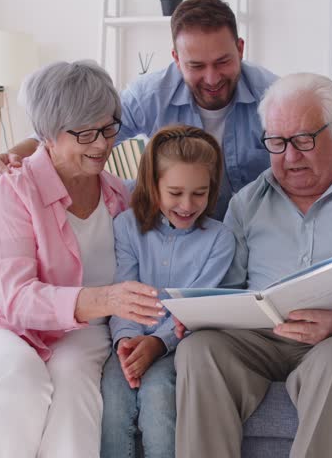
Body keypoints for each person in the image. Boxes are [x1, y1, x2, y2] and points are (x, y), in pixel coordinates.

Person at [0, 61, 165, 458]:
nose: (102, 145)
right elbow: (16, 302)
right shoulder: (10, 192)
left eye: (108, 128)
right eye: (85, 133)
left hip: (75, 332)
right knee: (19, 375)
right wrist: (107, 299)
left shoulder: (120, 196)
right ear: (46, 136)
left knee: (75, 381)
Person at [172, 72, 332, 458]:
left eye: (304, 140)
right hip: (258, 339)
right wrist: (200, 313)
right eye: (277, 143)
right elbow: (226, 284)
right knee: (199, 349)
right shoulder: (246, 202)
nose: (290, 157)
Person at [0, 0, 277, 219]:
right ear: (175, 57)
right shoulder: (151, 94)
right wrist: (12, 156)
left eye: (222, 62)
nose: (212, 78)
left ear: (240, 48)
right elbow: (79, 129)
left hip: (249, 226)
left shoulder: (274, 97)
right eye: (196, 66)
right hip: (171, 226)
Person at [101, 125, 235, 458]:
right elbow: (123, 293)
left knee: (159, 397)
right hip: (127, 342)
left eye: (199, 193)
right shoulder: (126, 227)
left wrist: (158, 343)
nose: (188, 205)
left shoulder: (220, 239)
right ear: (153, 185)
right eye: (175, 193)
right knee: (113, 402)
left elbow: (196, 306)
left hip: (177, 345)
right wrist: (127, 342)